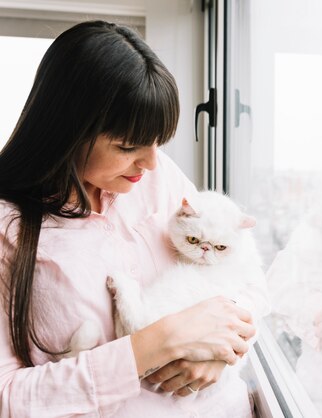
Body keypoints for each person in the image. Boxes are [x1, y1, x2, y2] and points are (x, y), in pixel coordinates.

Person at [0, 20, 256, 417]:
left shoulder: (157, 175)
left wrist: (224, 349)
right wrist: (154, 344)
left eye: (158, 142)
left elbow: (247, 279)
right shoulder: (8, 230)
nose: (151, 161)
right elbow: (8, 396)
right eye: (128, 145)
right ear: (66, 131)